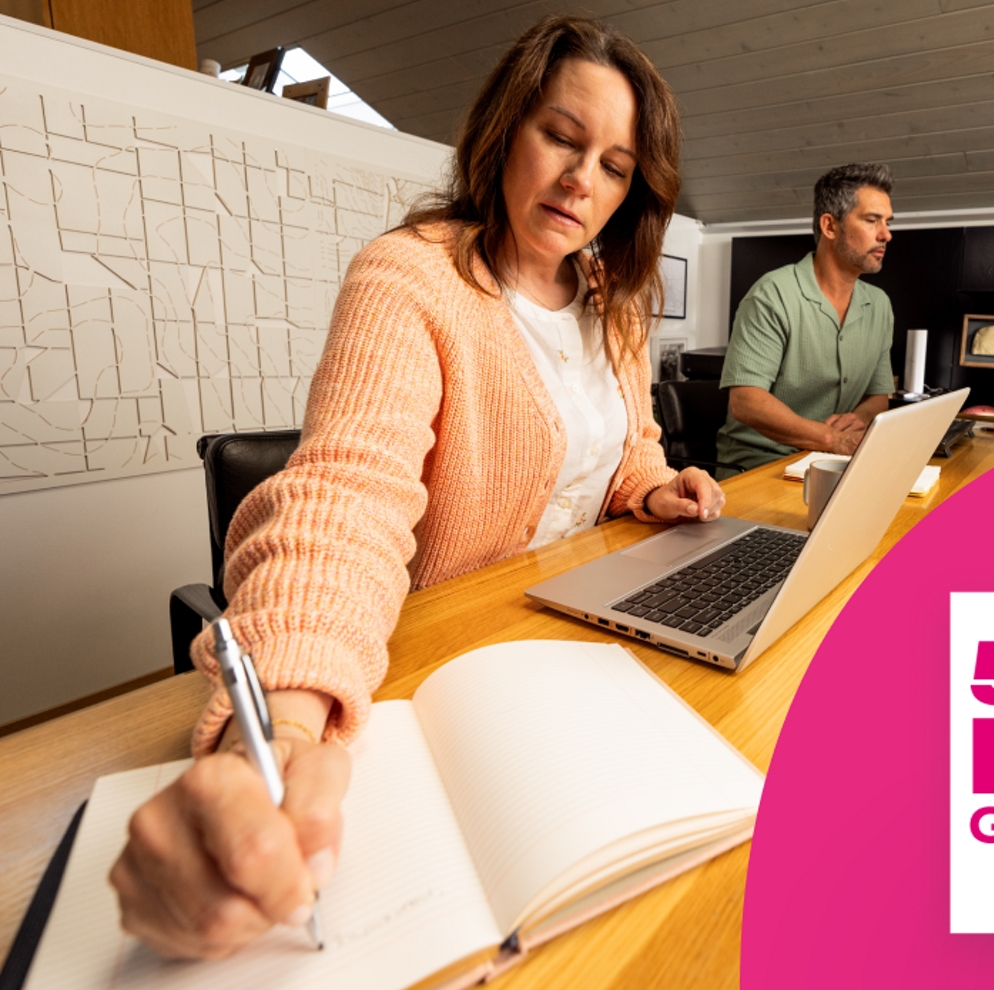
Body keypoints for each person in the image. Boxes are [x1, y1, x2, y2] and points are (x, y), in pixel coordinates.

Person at [109, 16, 725, 960]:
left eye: (613, 163)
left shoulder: (617, 299)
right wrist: (277, 730)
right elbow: (345, 500)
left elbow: (627, 447)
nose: (580, 180)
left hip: (571, 636)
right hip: (438, 660)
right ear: (506, 128)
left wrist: (654, 490)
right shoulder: (411, 278)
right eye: (562, 136)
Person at [715, 163, 898, 476]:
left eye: (888, 222)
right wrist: (831, 439)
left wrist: (861, 417)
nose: (886, 235)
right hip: (759, 469)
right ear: (830, 226)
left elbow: (878, 395)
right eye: (872, 220)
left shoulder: (879, 305)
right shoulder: (771, 295)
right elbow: (745, 402)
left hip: (833, 464)